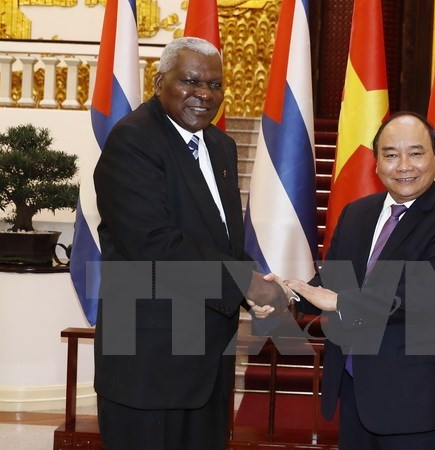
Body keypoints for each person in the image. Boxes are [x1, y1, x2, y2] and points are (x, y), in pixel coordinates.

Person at [93, 37, 288, 450]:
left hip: (208, 363)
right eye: (190, 81)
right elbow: (154, 245)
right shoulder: (133, 141)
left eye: (215, 85)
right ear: (159, 80)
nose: (204, 94)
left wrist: (256, 278)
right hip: (148, 365)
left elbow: (221, 238)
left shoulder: (221, 146)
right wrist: (245, 284)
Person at [285, 112, 435, 449]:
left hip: (418, 401)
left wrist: (341, 302)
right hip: (354, 390)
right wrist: (287, 295)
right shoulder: (357, 213)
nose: (403, 165)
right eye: (390, 154)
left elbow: (430, 295)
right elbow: (332, 278)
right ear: (376, 163)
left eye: (416, 153)